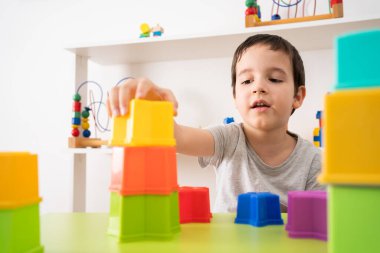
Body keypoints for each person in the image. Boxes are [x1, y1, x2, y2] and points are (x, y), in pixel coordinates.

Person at [107, 34, 325, 213]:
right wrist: (153, 107)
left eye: (275, 79)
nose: (258, 87)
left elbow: (316, 227)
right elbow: (177, 136)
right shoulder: (227, 139)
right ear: (235, 96)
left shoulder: (314, 161)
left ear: (298, 96)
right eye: (247, 81)